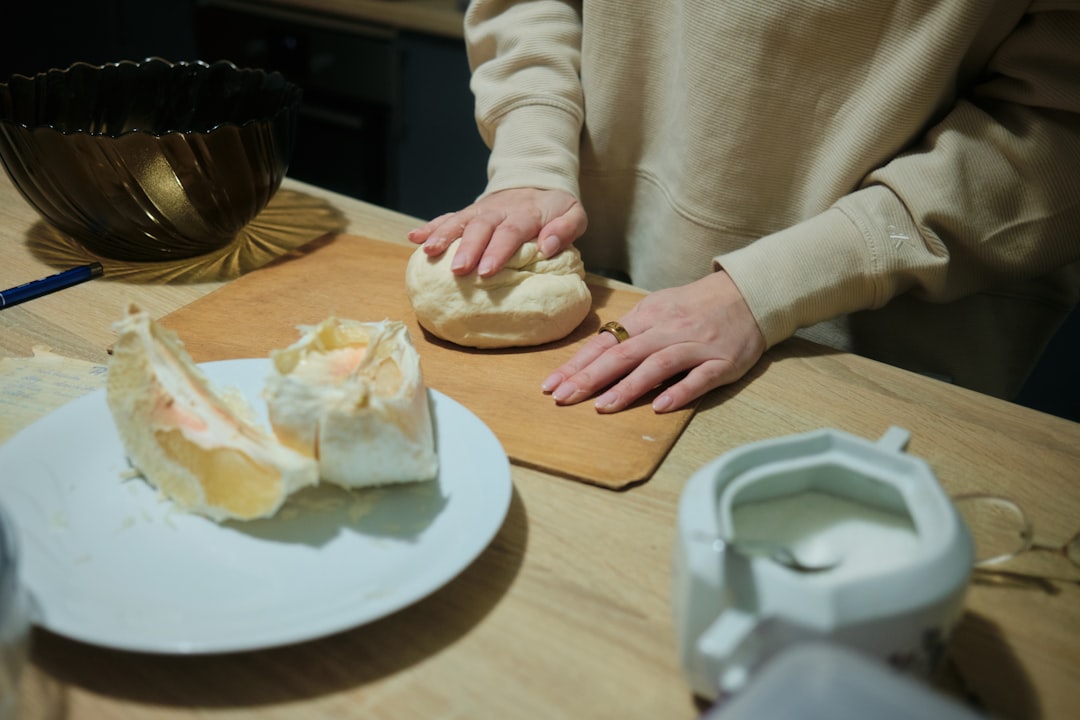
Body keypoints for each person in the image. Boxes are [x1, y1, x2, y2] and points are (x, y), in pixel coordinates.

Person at [408, 1, 1080, 414]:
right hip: (607, 278)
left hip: (864, 344)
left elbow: (1049, 136)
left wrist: (772, 286)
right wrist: (531, 156)